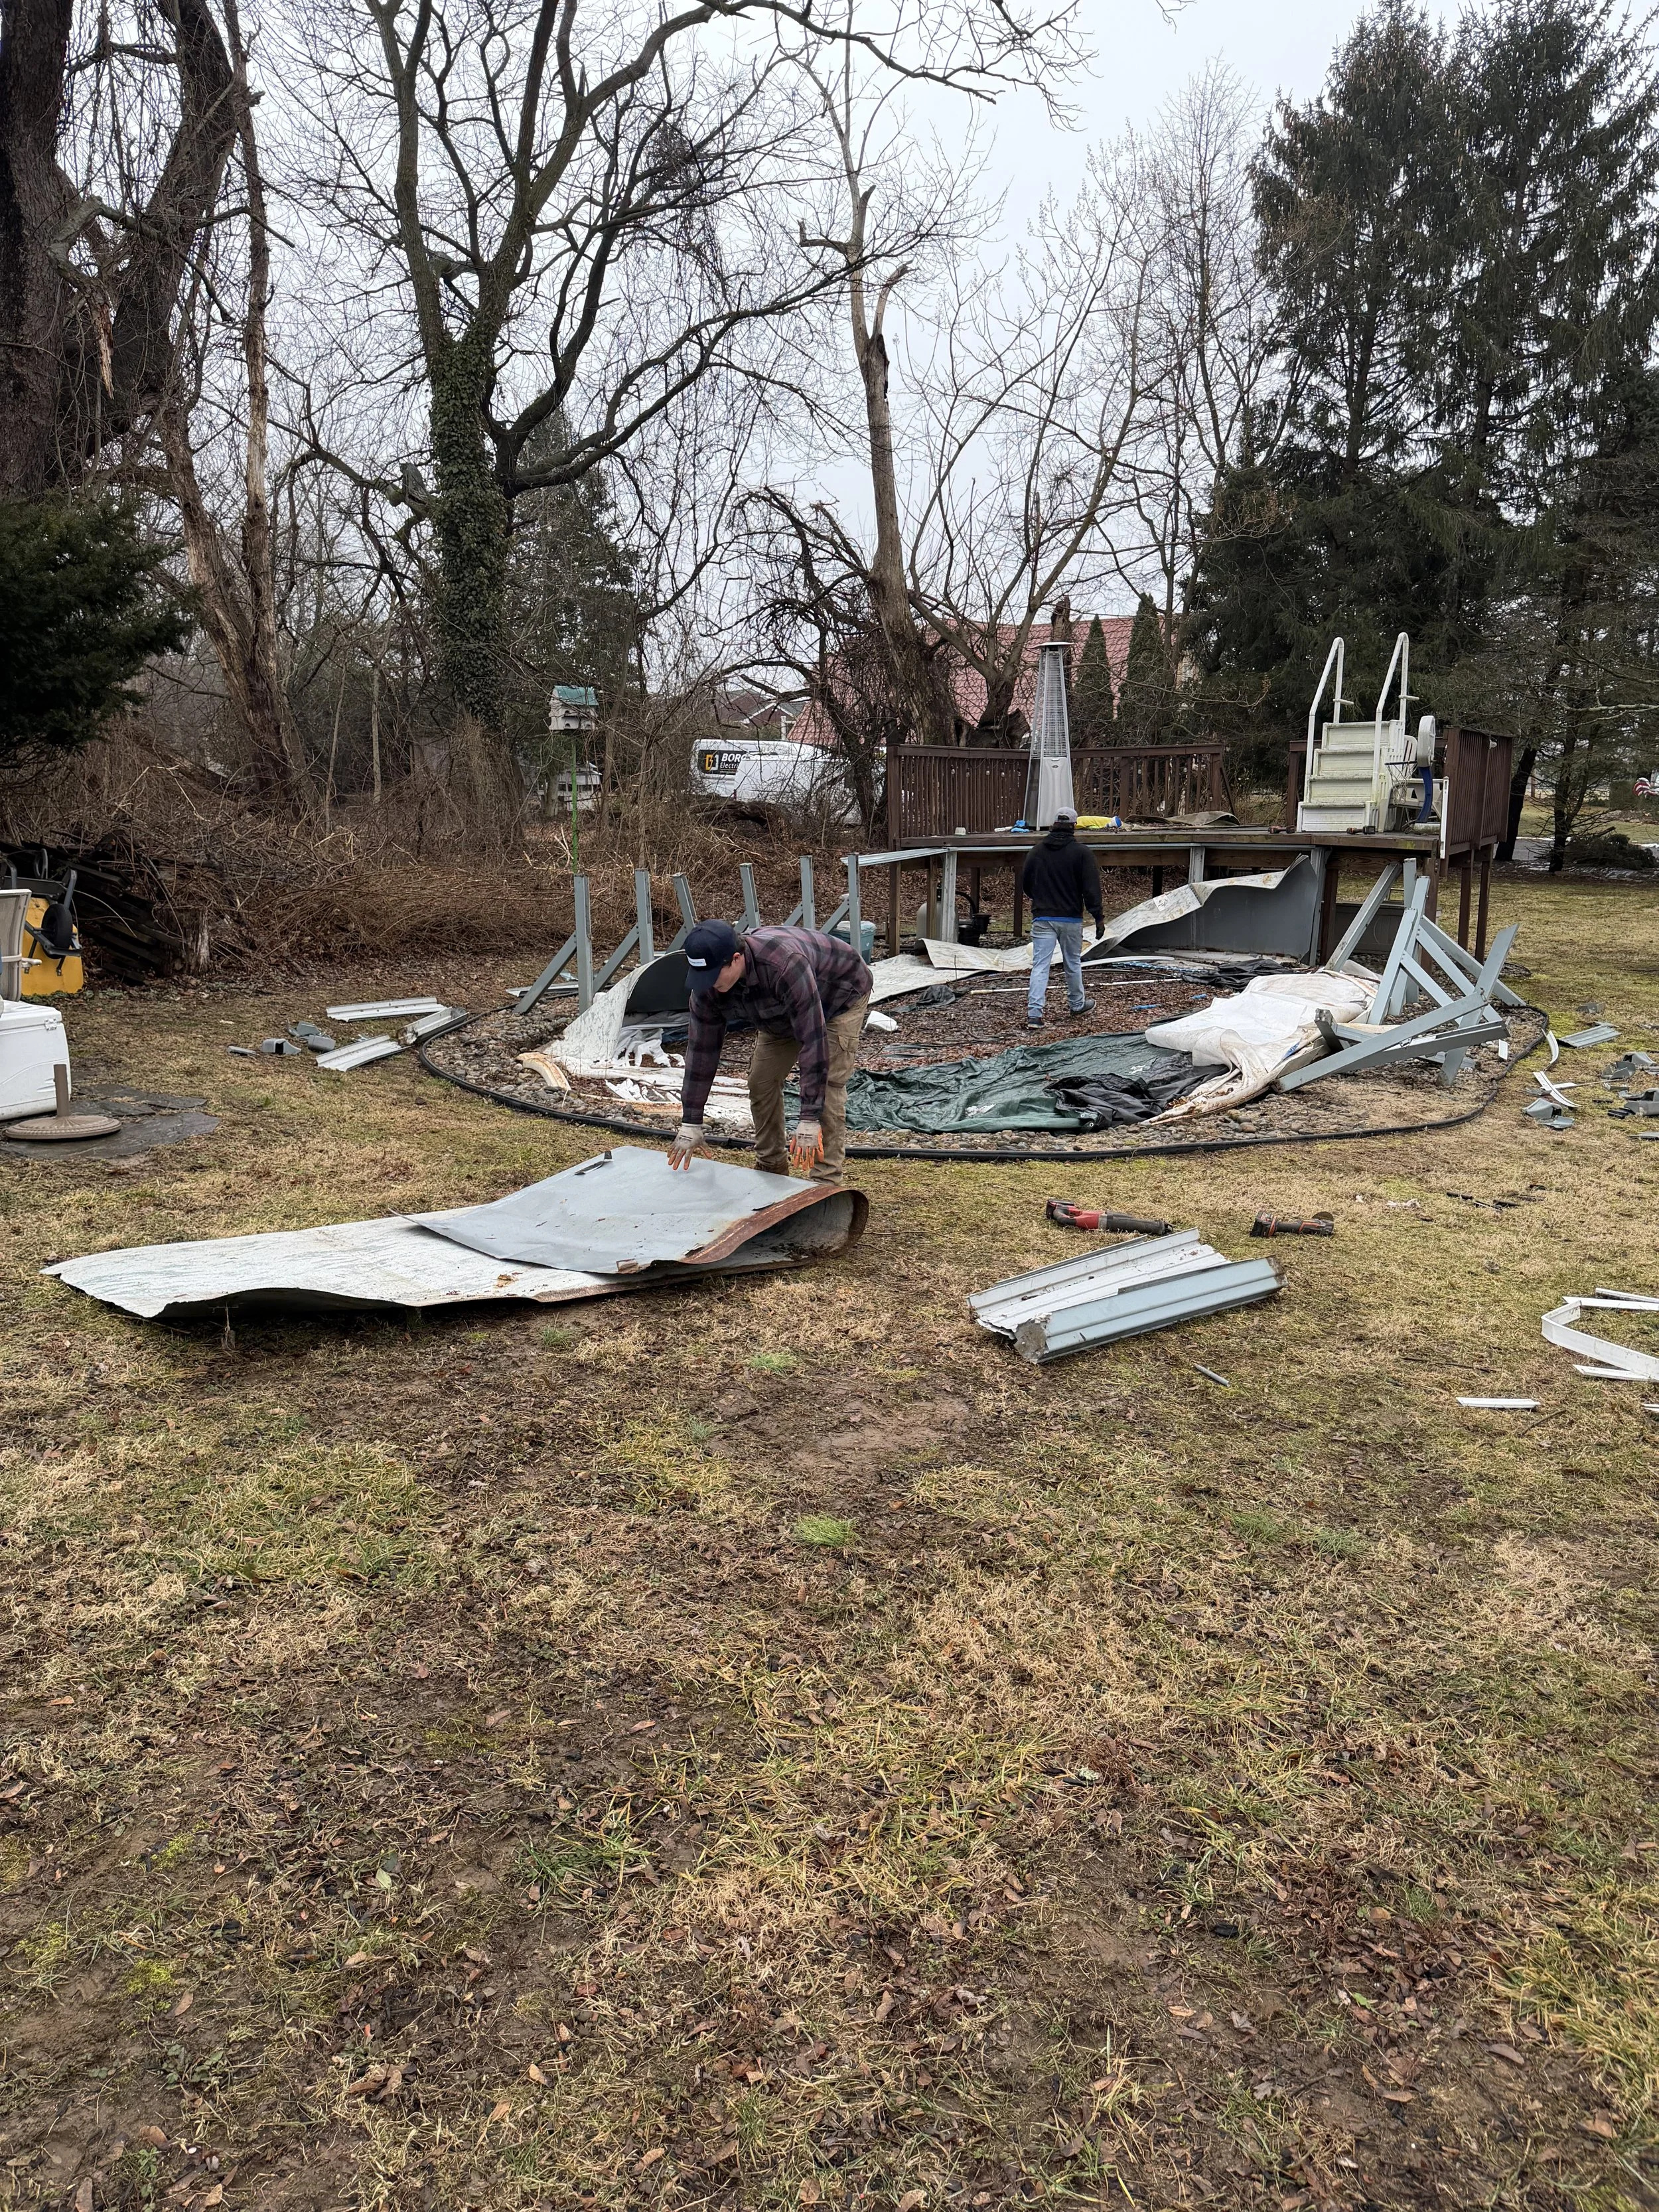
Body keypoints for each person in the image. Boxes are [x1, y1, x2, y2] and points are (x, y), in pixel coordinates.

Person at [668, 919, 872, 1182]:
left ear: (737, 959)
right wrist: (691, 1121)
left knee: (828, 1084)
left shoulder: (784, 964)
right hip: (778, 1010)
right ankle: (771, 1168)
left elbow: (813, 1039)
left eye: (713, 976)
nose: (707, 984)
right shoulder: (707, 989)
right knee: (761, 1081)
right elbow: (701, 1051)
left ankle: (825, 1180)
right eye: (700, 977)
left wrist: (809, 1119)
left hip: (838, 996)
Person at [1021, 808, 1103, 1028]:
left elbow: (1026, 884)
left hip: (1043, 917)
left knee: (1040, 965)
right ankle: (1077, 1004)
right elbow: (1091, 889)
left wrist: (1039, 898)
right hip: (1070, 918)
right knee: (1072, 963)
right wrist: (1098, 917)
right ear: (1074, 827)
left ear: (1054, 824)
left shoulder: (1036, 852)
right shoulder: (1082, 853)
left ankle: (1035, 1014)